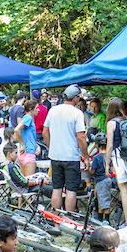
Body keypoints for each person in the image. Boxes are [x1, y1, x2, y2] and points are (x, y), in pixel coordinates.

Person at [43, 85, 88, 213]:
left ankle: (56, 218)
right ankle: (68, 220)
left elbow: (45, 131)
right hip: (71, 157)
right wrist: (86, 157)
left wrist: (50, 146)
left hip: (56, 156)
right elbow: (81, 136)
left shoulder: (53, 110)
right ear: (75, 98)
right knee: (71, 190)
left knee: (57, 188)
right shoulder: (77, 113)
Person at [14, 99, 39, 177]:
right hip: (28, 153)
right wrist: (23, 144)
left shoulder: (26, 118)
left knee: (24, 182)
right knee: (30, 181)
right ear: (30, 109)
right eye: (36, 108)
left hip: (25, 152)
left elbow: (29, 136)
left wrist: (37, 146)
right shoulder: (28, 118)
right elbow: (16, 129)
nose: (38, 110)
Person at [90, 146, 112, 223]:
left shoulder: (96, 157)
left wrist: (90, 168)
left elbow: (92, 171)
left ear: (97, 145)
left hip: (101, 180)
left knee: (103, 202)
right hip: (107, 180)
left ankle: (103, 220)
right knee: (104, 199)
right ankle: (103, 219)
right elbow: (112, 169)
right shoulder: (108, 156)